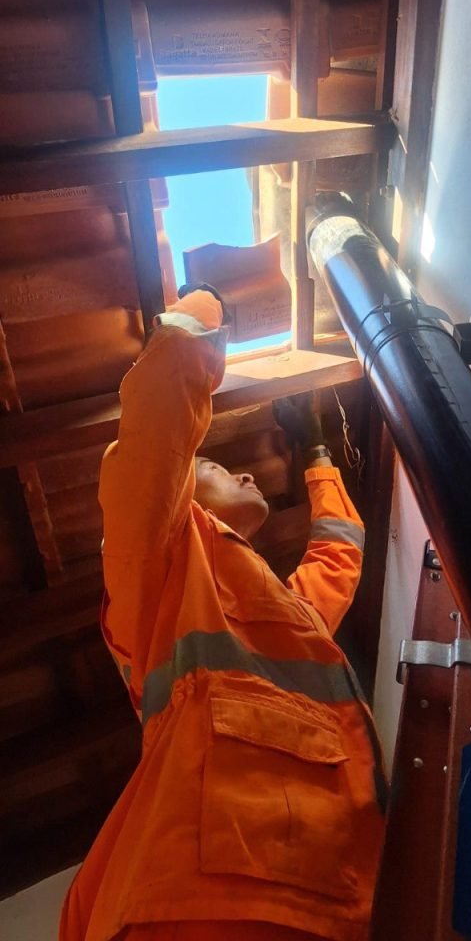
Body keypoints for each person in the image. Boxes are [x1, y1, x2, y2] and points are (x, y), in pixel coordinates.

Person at [60, 284, 387, 941]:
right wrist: (206, 304)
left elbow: (339, 552)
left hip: (324, 889)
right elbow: (159, 416)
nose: (246, 474)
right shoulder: (161, 562)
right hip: (206, 896)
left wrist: (318, 452)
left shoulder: (279, 613)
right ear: (184, 497)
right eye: (213, 465)